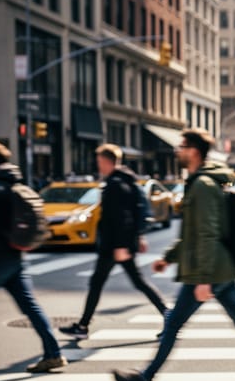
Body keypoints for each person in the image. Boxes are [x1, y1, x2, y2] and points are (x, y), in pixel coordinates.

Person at [113, 129, 235, 381]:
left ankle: (145, 378)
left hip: (208, 270)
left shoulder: (202, 186)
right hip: (218, 267)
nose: (177, 151)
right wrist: (168, 257)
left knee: (174, 322)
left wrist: (203, 279)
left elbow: (206, 233)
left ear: (194, 151)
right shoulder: (198, 182)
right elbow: (191, 234)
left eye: (182, 146)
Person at [0, 142, 67, 373]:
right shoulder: (11, 183)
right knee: (30, 306)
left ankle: (53, 354)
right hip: (14, 256)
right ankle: (53, 354)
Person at [60, 144, 169, 339]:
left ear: (106, 161)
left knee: (121, 282)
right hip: (118, 244)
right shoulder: (126, 181)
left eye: (99, 161)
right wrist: (138, 237)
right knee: (112, 282)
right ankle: (83, 325)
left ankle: (83, 326)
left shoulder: (114, 185)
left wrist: (121, 246)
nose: (98, 165)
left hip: (114, 246)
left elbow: (122, 218)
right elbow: (135, 213)